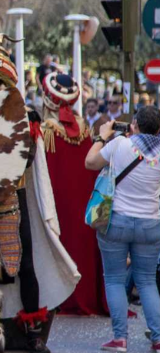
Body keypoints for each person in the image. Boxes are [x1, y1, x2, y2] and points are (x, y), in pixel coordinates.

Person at [0, 37, 79, 353]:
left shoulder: (24, 116)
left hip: (14, 200)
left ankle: (35, 334)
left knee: (25, 267)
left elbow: (25, 160)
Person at [85, 107, 160, 352]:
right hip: (150, 224)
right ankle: (158, 338)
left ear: (134, 124)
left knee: (115, 279)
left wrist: (101, 136)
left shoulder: (119, 144)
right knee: (147, 281)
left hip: (116, 221)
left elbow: (90, 162)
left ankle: (120, 338)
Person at [41, 73, 107, 315]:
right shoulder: (85, 130)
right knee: (83, 246)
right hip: (83, 203)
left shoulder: (46, 132)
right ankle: (85, 295)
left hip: (57, 203)